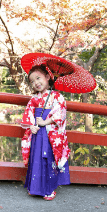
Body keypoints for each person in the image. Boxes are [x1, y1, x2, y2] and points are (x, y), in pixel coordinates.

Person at [20, 64, 71, 201]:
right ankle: (34, 187)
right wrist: (31, 126)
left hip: (50, 135)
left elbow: (60, 114)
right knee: (36, 159)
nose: (36, 83)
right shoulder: (34, 99)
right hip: (37, 134)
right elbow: (28, 114)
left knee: (48, 159)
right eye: (32, 81)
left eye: (38, 78)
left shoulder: (57, 96)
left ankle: (49, 189)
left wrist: (45, 122)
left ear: (48, 77)